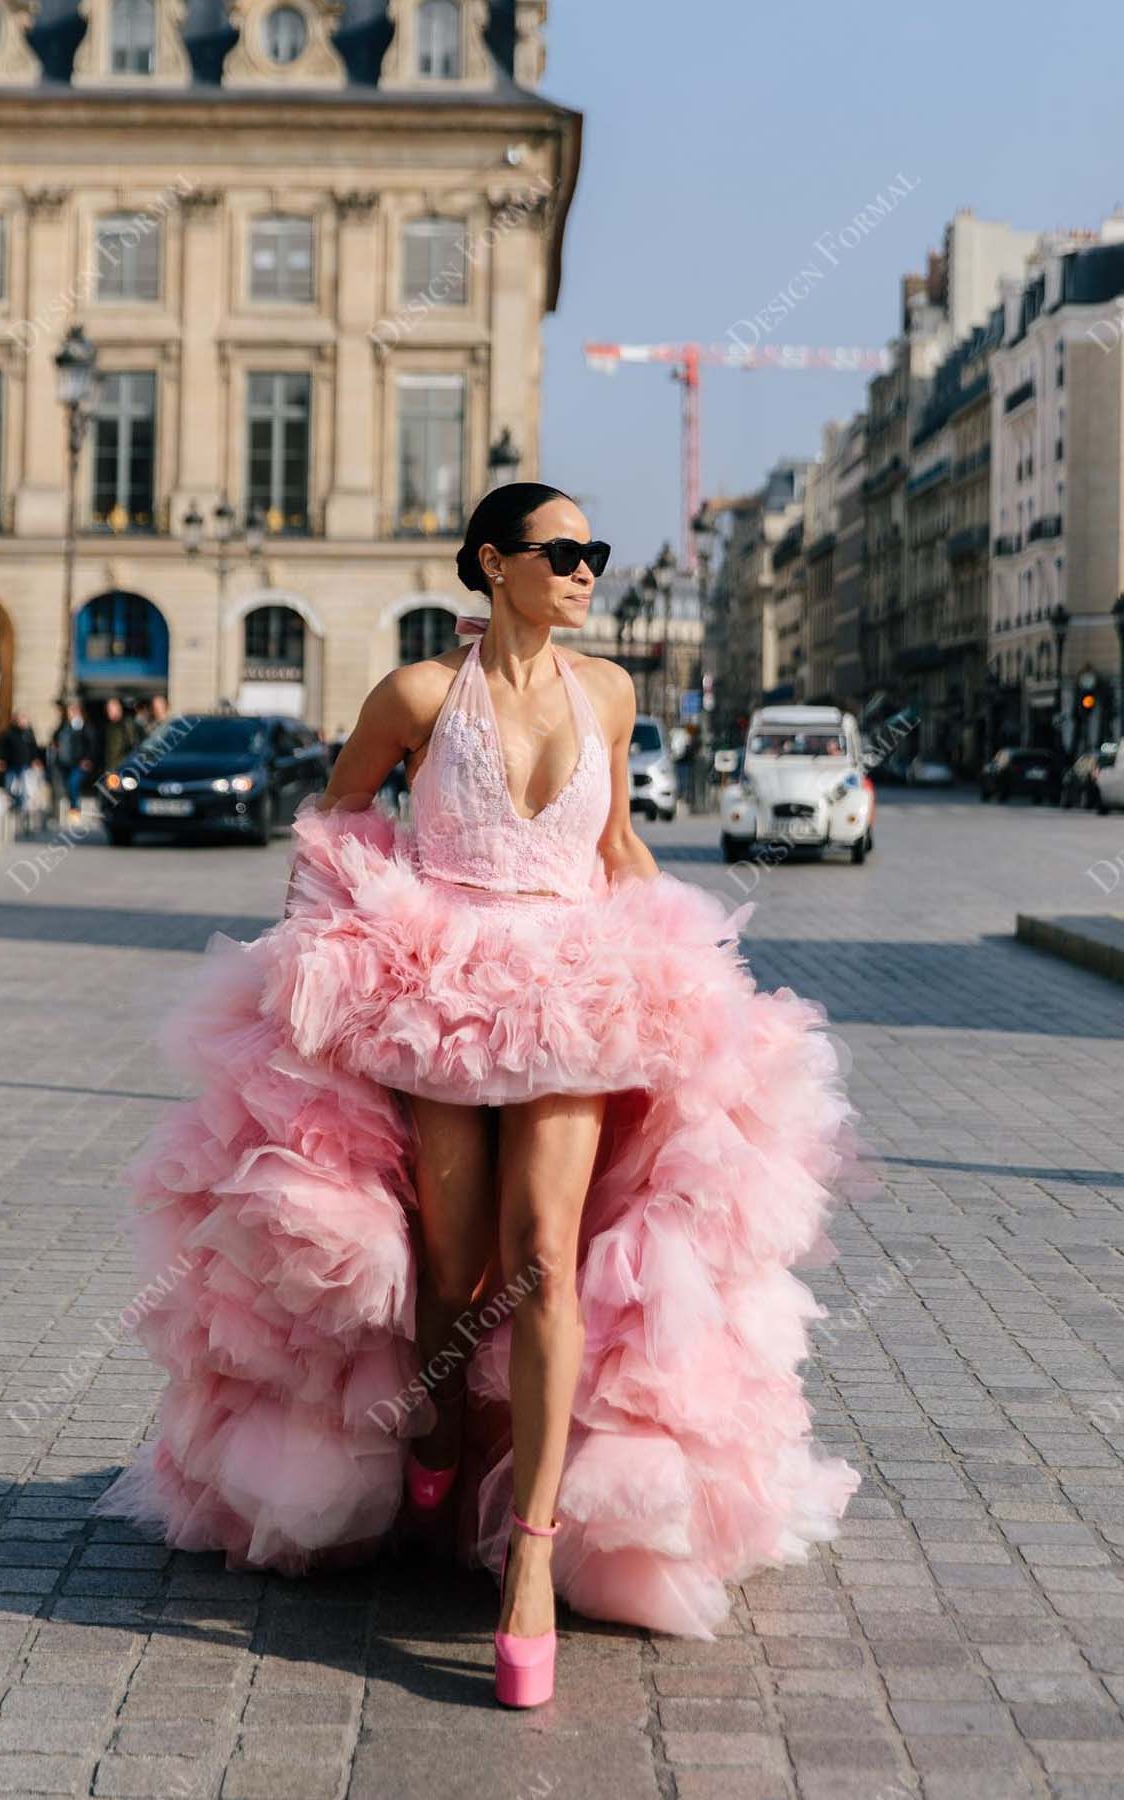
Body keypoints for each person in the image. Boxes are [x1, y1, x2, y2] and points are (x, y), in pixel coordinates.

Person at [91, 482, 862, 1709]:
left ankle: (534, 1562)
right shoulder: (414, 696)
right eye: (563, 553)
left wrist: (695, 959)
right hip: (441, 993)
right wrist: (340, 955)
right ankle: (442, 1433)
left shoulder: (608, 692)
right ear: (494, 566)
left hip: (575, 992)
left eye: (595, 553)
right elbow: (336, 818)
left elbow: (613, 851)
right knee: (450, 1267)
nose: (587, 570)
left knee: (544, 1256)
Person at [51, 701, 93, 821]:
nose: (71, 714)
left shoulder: (84, 726)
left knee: (73, 783)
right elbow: (54, 738)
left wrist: (87, 759)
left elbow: (90, 744)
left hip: (79, 763)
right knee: (67, 786)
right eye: (69, 711)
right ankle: (72, 808)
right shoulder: (63, 725)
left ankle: (75, 809)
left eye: (73, 711)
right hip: (64, 763)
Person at [0, 711, 40, 811]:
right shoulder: (9, 734)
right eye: (20, 719)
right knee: (10, 787)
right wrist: (0, 760)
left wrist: (35, 760)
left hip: (25, 766)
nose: (23, 722)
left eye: (24, 719)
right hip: (11, 765)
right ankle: (12, 808)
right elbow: (3, 749)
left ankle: (22, 810)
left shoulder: (29, 733)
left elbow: (33, 748)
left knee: (25, 789)